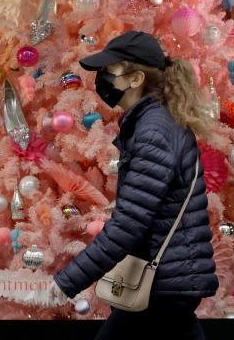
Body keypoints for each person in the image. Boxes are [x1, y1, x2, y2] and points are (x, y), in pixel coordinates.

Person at [46, 31, 218, 339]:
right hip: (165, 284)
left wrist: (67, 282)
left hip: (161, 286)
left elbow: (129, 223)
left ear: (136, 78)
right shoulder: (153, 122)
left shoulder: (153, 130)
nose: (101, 80)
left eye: (110, 72)